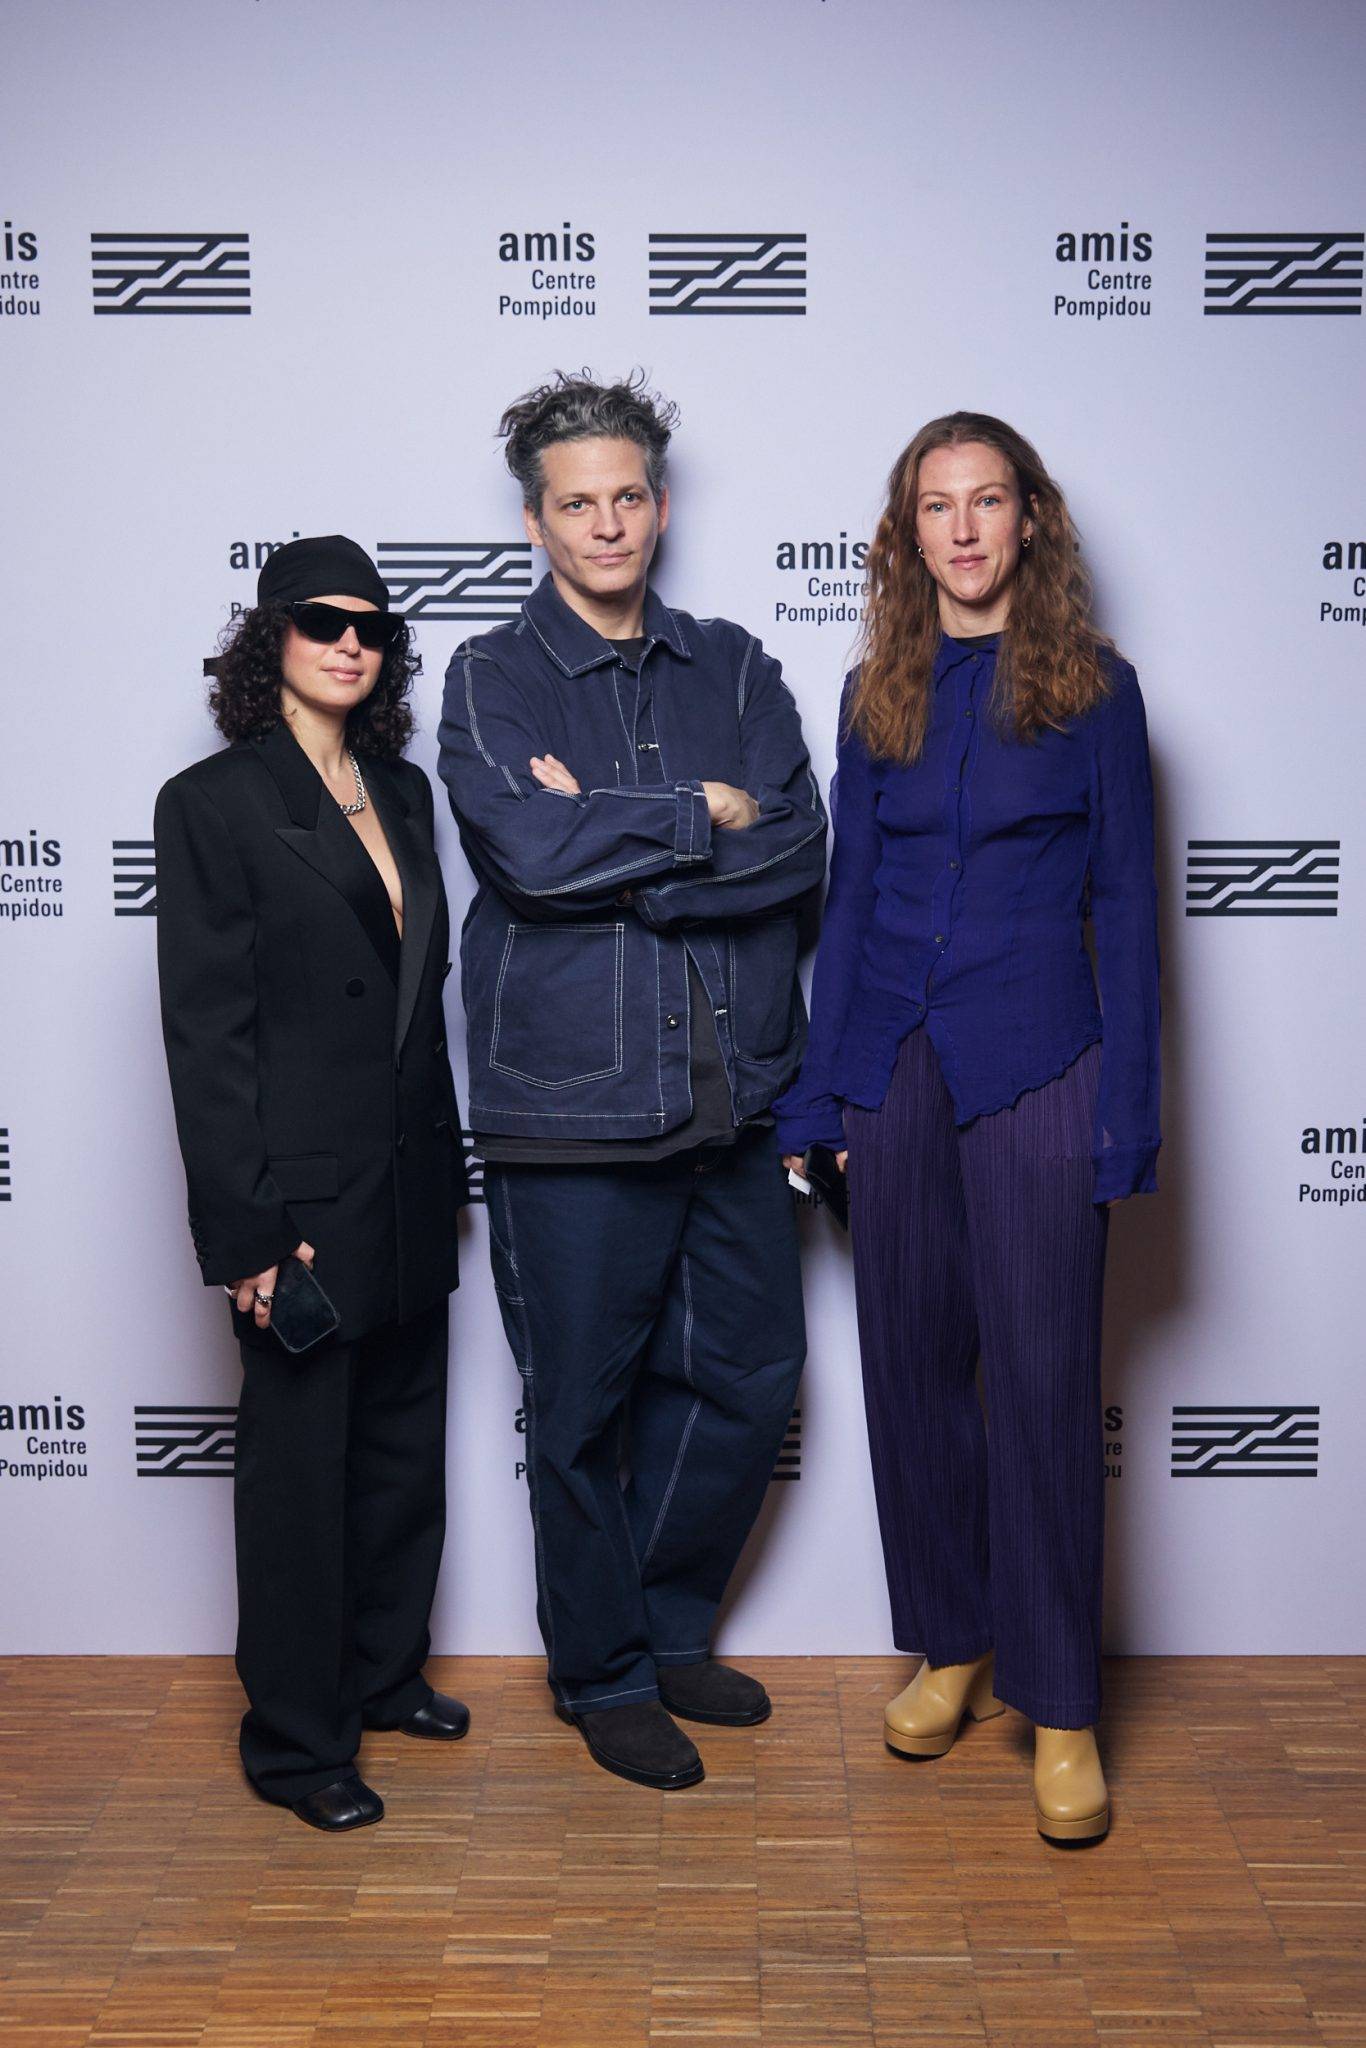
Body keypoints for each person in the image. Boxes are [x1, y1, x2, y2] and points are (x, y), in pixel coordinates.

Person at [775, 414, 1160, 1844]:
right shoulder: (875, 689)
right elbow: (849, 897)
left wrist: (1124, 1118)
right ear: (906, 533)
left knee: (1047, 1382)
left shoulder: (1095, 691)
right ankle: (950, 1646)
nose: (962, 528)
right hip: (890, 1063)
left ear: (1026, 523)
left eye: (985, 500)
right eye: (935, 506)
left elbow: (1123, 908)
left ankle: (1059, 1705)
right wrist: (818, 1092)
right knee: (910, 1368)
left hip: (1039, 1058)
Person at [438, 372, 826, 1791]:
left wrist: (622, 843)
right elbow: (525, 862)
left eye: (626, 496)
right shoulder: (488, 677)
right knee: (584, 1408)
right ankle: (599, 1674)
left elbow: (795, 850)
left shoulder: (733, 665)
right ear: (537, 524)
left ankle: (663, 1631)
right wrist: (691, 822)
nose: (605, 523)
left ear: (659, 506)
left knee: (746, 1376)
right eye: (574, 503)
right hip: (571, 1113)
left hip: (732, 1099)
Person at [155, 535, 472, 1833]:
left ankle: (382, 1675)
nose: (351, 642)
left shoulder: (404, 792)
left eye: (371, 626)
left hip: (403, 1177)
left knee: (400, 1454)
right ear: (269, 639)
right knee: (300, 1479)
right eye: (320, 622)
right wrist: (247, 1234)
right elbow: (205, 1034)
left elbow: (413, 1007)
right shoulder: (214, 802)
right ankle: (294, 1742)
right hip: (296, 1203)